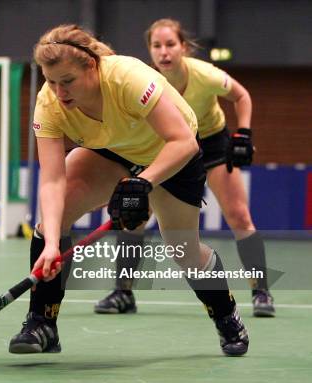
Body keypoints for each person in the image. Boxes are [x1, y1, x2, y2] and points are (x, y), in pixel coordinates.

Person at [8, 24, 248, 357]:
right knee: (54, 217)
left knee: (184, 251)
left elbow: (184, 142)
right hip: (111, 152)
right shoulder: (49, 102)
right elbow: (51, 179)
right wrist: (50, 243)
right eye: (51, 81)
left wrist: (142, 182)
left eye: (68, 81)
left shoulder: (127, 78)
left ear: (90, 67)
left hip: (170, 152)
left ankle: (226, 314)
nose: (60, 93)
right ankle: (42, 323)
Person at [95, 18, 274, 318]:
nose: (164, 52)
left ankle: (261, 291)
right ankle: (122, 292)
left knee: (239, 215)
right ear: (150, 51)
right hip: (167, 147)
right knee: (135, 216)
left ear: (184, 47)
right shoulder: (144, 80)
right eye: (156, 46)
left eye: (170, 44)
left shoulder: (204, 75)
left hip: (211, 145)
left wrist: (243, 133)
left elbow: (241, 95)